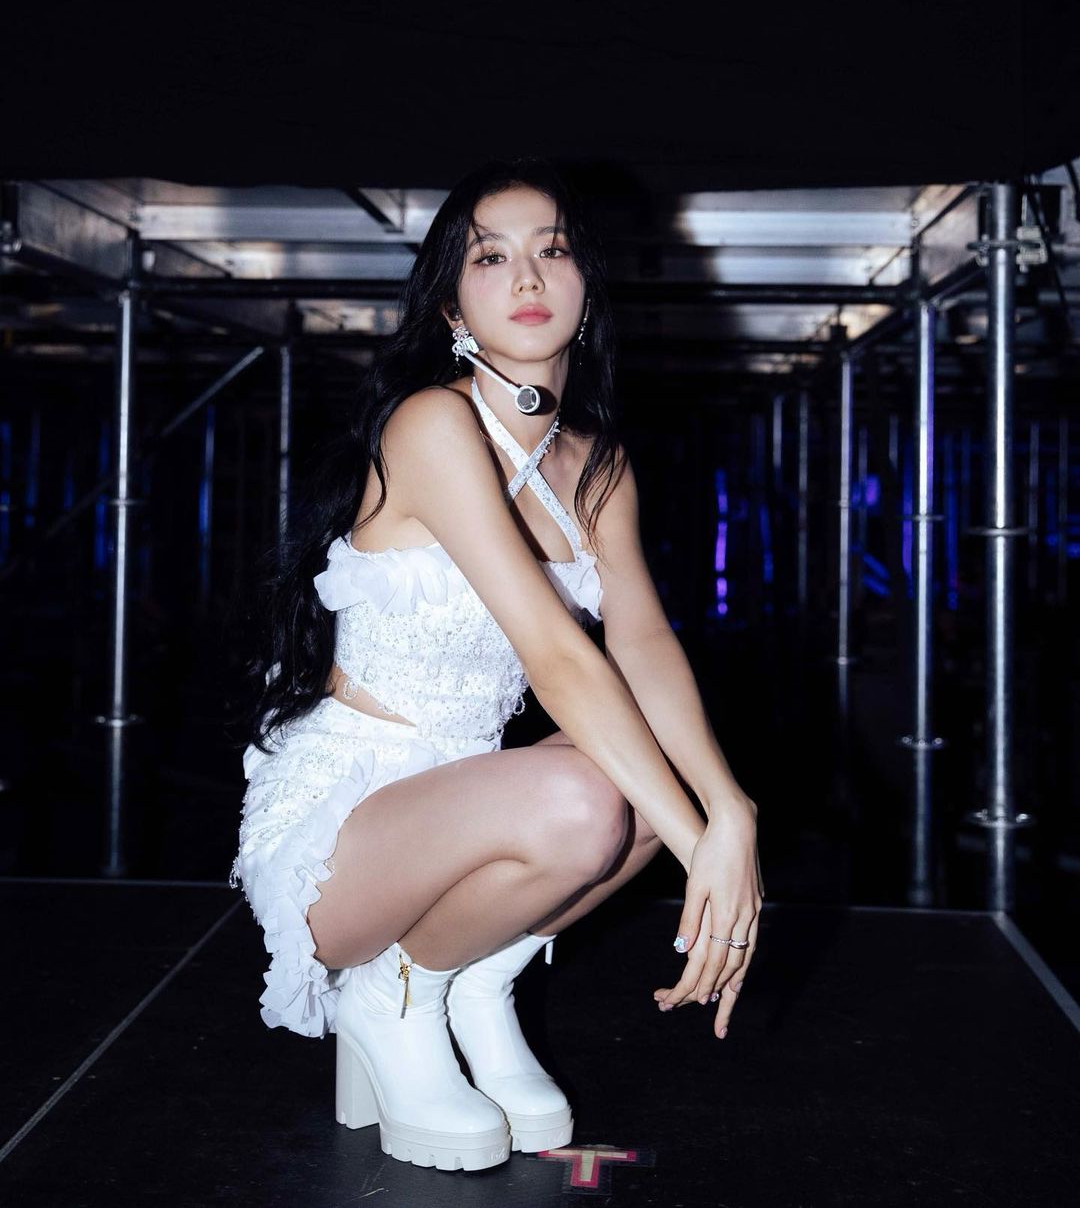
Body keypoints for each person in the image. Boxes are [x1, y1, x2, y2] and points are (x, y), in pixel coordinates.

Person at [229, 157, 763, 1174]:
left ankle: (474, 979)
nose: (526, 276)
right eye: (490, 256)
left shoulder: (597, 464)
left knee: (656, 784)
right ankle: (393, 993)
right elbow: (554, 650)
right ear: (450, 305)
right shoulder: (432, 422)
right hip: (348, 826)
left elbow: (642, 645)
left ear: (587, 287)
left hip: (472, 804)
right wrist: (708, 849)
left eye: (552, 251)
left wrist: (727, 812)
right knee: (588, 799)